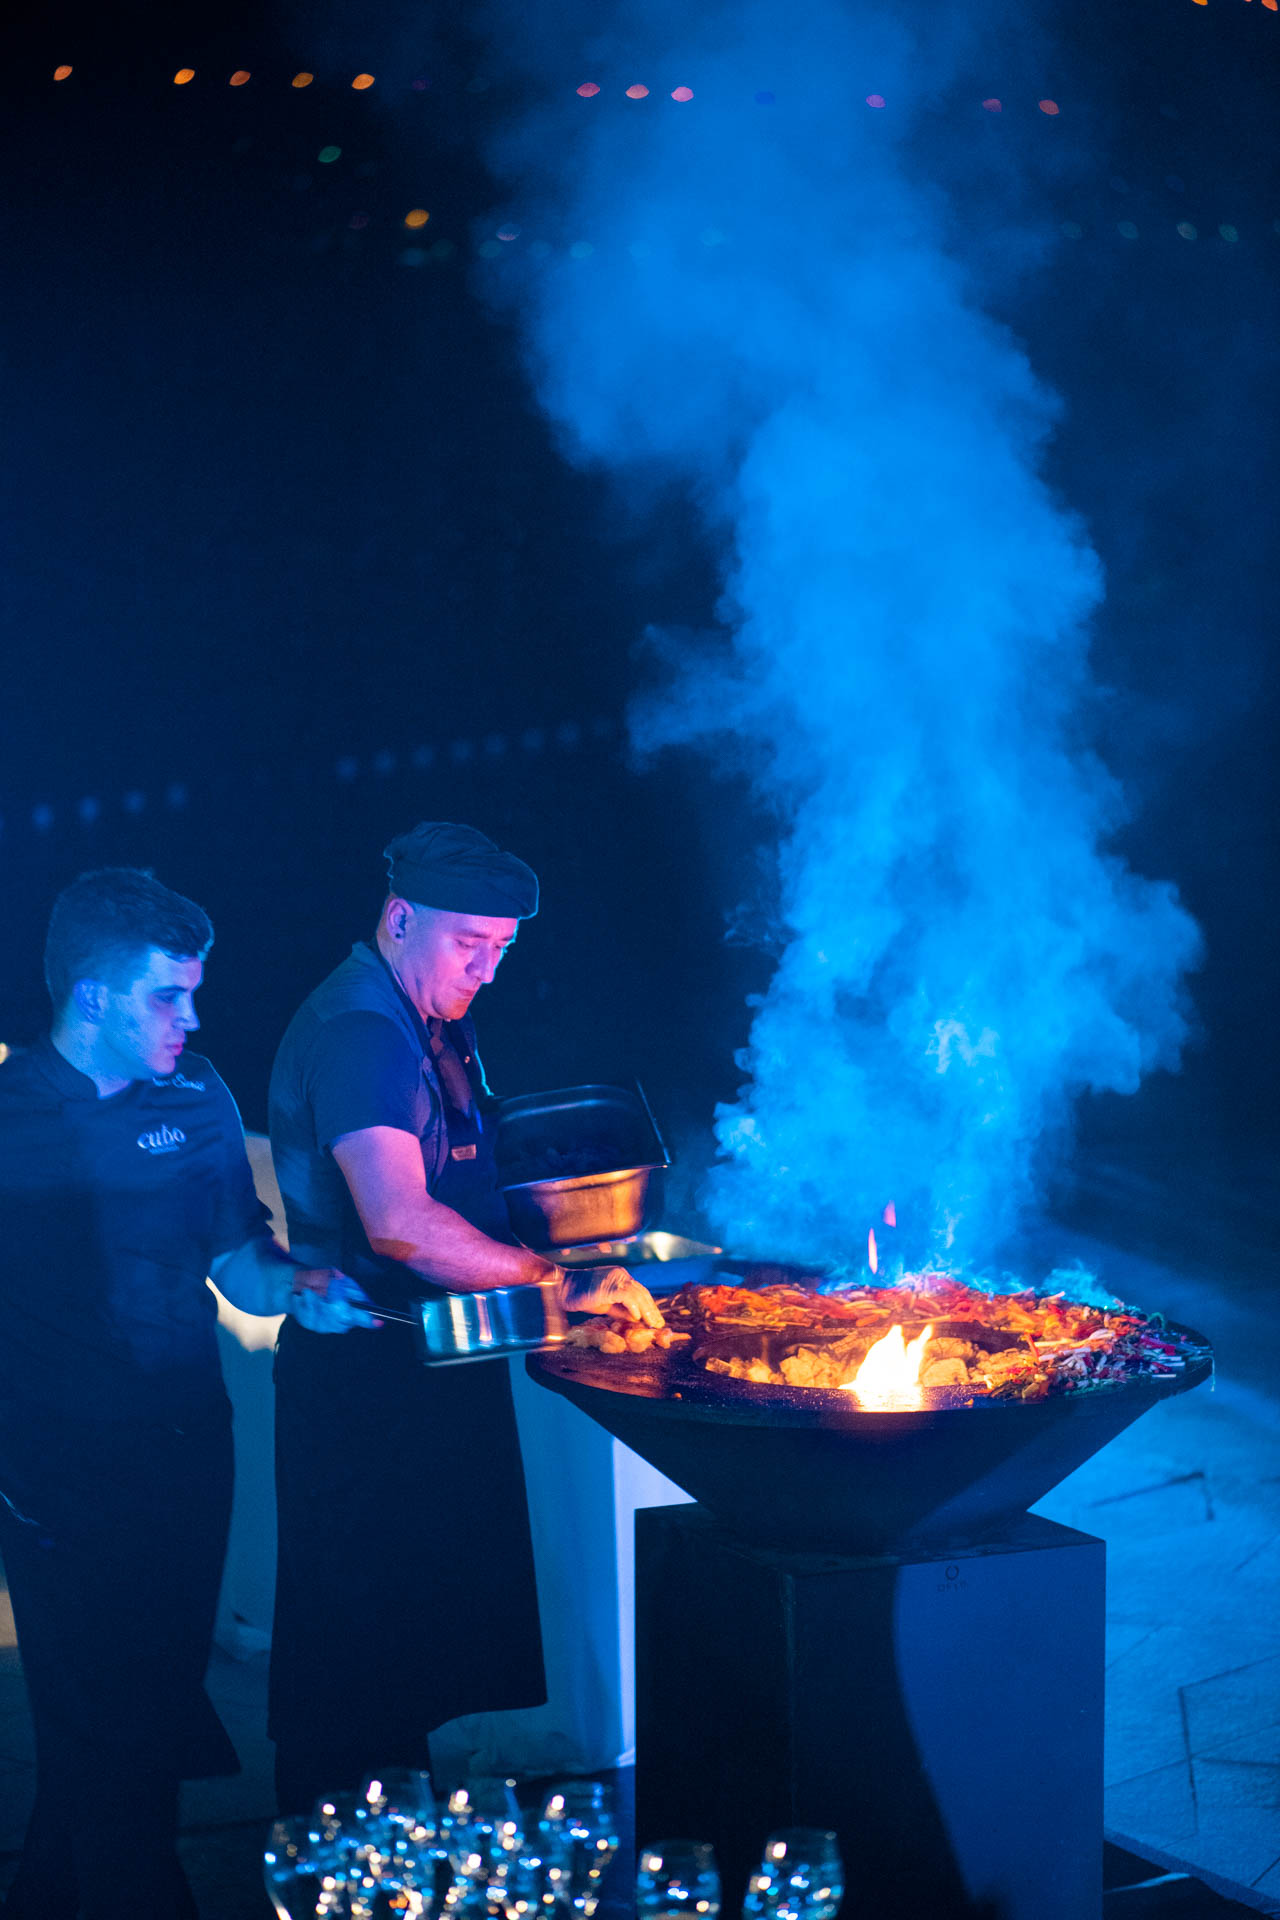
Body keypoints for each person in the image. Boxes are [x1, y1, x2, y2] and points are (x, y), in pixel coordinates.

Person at [0, 869, 374, 1920]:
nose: (193, 1017)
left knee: (135, 1722)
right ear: (93, 997)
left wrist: (298, 1289)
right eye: (169, 996)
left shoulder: (196, 1092)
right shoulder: (7, 1116)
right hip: (55, 1477)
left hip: (185, 1450)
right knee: (111, 1729)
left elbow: (235, 1256)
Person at [268, 821, 662, 1813]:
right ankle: (335, 1879)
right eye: (466, 945)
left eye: (501, 950)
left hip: (425, 1378)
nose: (485, 971)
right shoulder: (361, 1031)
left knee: (408, 1673)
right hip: (367, 1388)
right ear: (400, 919)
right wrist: (557, 1288)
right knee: (356, 1680)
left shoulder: (424, 1017)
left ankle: (396, 1859)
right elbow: (399, 1224)